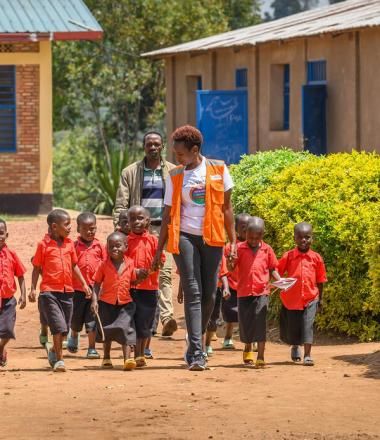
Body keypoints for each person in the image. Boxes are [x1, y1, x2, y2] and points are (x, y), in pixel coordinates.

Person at [152, 125, 236, 371]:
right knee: (193, 291)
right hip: (184, 237)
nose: (176, 159)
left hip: (212, 238)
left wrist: (233, 242)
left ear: (195, 149)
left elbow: (227, 209)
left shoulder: (219, 169)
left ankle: (194, 339)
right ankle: (197, 353)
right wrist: (159, 249)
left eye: (180, 154)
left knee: (211, 294)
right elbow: (167, 215)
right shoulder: (176, 175)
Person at [114, 131, 177, 337]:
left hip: (164, 229)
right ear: (144, 147)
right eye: (149, 144)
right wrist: (120, 228)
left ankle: (167, 318)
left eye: (156, 144)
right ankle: (138, 319)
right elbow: (121, 205)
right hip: (137, 231)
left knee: (164, 272)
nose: (153, 147)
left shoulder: (174, 172)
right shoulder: (130, 172)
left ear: (162, 147)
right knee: (136, 273)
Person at [29, 209, 91, 372]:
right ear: (54, 227)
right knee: (57, 326)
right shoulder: (43, 245)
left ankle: (52, 351)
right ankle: (60, 361)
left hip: (67, 292)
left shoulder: (70, 244)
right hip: (49, 292)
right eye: (67, 224)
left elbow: (74, 265)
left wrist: (84, 284)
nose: (70, 227)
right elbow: (36, 267)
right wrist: (32, 289)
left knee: (64, 329)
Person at [228, 217, 281, 368]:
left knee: (260, 322)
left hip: (262, 291)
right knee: (246, 324)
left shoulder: (267, 249)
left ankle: (261, 356)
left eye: (257, 238)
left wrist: (281, 281)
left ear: (262, 235)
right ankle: (247, 347)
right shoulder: (239, 248)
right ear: (245, 234)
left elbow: (272, 269)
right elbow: (231, 269)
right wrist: (229, 260)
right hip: (244, 292)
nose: (253, 240)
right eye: (250, 237)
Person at [91, 232, 143, 371]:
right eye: (111, 246)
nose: (114, 249)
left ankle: (128, 359)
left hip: (125, 304)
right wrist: (94, 301)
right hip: (106, 303)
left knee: (126, 329)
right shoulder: (103, 265)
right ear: (107, 248)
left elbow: (133, 280)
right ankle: (106, 357)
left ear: (126, 246)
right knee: (107, 331)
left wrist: (143, 274)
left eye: (118, 245)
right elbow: (96, 283)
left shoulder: (130, 263)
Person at [278, 222, 327, 366]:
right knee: (293, 327)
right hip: (292, 299)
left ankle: (307, 355)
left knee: (307, 325)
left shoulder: (316, 258)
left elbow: (321, 280)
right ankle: (295, 346)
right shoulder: (289, 256)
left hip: (311, 297)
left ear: (312, 238)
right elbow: (277, 272)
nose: (303, 240)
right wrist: (281, 283)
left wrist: (320, 299)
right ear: (294, 238)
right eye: (300, 237)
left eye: (307, 237)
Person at [126, 206, 165, 367]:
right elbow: (121, 263)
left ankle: (141, 353)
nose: (136, 222)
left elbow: (160, 261)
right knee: (131, 322)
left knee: (144, 322)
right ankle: (132, 354)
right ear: (128, 222)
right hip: (130, 288)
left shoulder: (154, 241)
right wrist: (134, 274)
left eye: (140, 218)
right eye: (133, 219)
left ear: (148, 221)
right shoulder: (125, 241)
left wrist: (147, 273)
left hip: (149, 289)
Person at [67, 212, 106, 359]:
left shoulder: (100, 246)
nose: (90, 232)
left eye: (93, 228)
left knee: (92, 320)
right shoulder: (74, 246)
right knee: (75, 319)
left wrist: (103, 286)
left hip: (95, 289)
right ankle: (74, 335)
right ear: (78, 229)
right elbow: (71, 264)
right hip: (77, 289)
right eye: (86, 229)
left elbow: (106, 265)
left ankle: (91, 348)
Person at [220, 213, 251, 350]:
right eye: (243, 227)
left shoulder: (254, 245)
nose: (246, 230)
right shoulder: (229, 247)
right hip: (232, 285)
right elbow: (225, 266)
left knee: (250, 315)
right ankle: (228, 337)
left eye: (248, 227)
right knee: (230, 314)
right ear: (235, 229)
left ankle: (252, 340)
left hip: (248, 286)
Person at [0, 219, 26, 367]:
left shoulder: (11, 254)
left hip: (8, 300)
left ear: (6, 234)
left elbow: (21, 275)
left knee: (7, 330)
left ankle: (1, 347)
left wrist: (23, 294)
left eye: (1, 233)